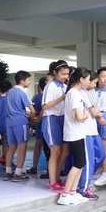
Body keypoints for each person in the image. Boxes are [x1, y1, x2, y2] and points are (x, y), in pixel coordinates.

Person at [57, 67, 91, 205]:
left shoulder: (74, 93)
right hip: (74, 133)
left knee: (81, 163)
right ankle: (65, 194)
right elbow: (79, 116)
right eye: (88, 79)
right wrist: (86, 114)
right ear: (82, 79)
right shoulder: (74, 94)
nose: (89, 82)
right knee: (78, 163)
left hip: (76, 132)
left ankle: (72, 192)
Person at [41, 60, 71, 192]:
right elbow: (45, 106)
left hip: (62, 119)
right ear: (55, 73)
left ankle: (57, 178)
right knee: (55, 151)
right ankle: (52, 181)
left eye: (67, 74)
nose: (65, 76)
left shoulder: (64, 86)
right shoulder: (50, 86)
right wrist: (61, 98)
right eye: (62, 74)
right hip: (51, 119)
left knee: (63, 151)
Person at [77, 71, 105, 200]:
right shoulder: (81, 93)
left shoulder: (88, 93)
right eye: (92, 81)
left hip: (93, 130)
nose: (93, 84)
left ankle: (82, 179)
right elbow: (93, 112)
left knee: (100, 155)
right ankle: (83, 188)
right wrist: (100, 115)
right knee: (88, 161)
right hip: (86, 132)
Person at [3, 70, 36, 182]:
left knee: (12, 146)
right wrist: (33, 119)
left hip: (9, 122)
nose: (30, 82)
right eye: (28, 80)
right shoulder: (22, 92)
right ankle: (18, 173)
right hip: (20, 121)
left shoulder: (9, 92)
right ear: (22, 81)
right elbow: (32, 110)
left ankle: (8, 172)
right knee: (22, 147)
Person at [0, 81, 12, 166]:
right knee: (8, 144)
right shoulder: (10, 99)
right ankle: (7, 163)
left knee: (4, 143)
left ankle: (4, 160)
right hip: (8, 124)